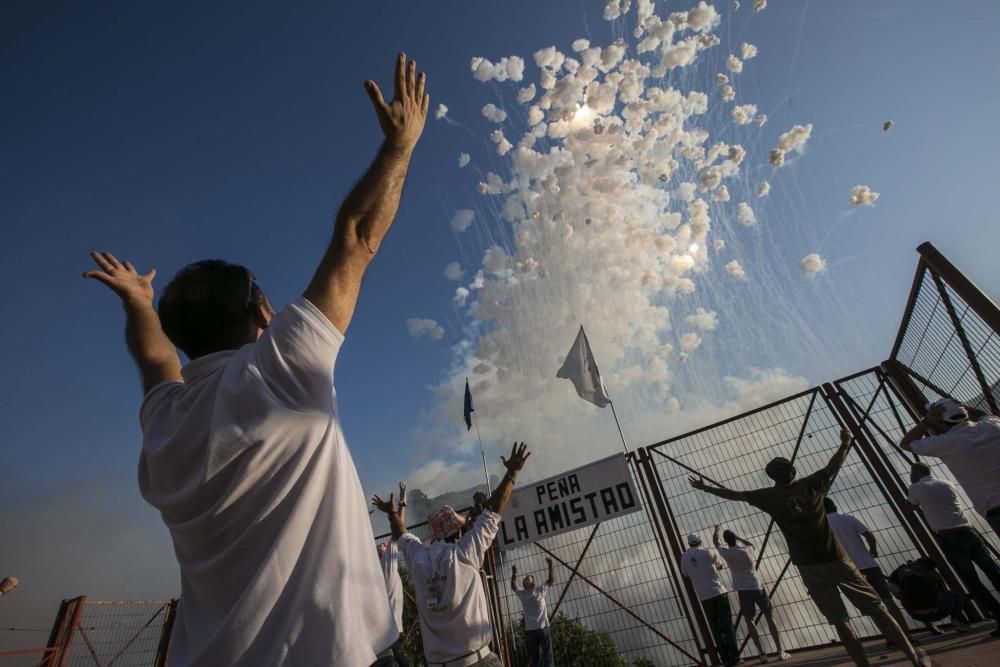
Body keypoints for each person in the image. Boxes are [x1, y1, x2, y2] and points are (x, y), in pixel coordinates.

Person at [84, 53, 430, 667]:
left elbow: (155, 357)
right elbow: (356, 237)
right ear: (264, 314)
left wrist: (139, 303)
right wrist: (401, 145)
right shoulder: (279, 370)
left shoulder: (167, 424)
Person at [689, 429, 931, 667]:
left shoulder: (768, 497)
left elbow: (735, 495)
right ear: (793, 471)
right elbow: (834, 465)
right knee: (877, 610)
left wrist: (705, 488)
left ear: (771, 477)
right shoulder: (813, 485)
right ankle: (913, 657)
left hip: (808, 566)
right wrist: (845, 443)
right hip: (836, 558)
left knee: (840, 622)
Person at [373, 442, 531, 667]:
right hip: (478, 660)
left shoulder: (418, 559)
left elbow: (400, 532)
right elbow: (493, 513)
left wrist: (391, 513)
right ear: (458, 534)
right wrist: (512, 473)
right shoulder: (465, 554)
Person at [905, 462, 1000, 635]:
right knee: (993, 571)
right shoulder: (947, 483)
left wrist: (913, 486)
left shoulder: (916, 487)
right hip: (969, 531)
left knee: (973, 582)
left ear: (915, 474)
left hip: (950, 538)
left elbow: (909, 507)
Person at [900, 398, 1000, 534]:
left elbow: (906, 443)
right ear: (965, 413)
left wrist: (927, 421)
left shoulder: (946, 443)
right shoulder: (993, 427)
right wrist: (962, 406)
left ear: (939, 421)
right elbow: (983, 414)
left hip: (995, 507)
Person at [824, 498, 911, 641]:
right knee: (888, 600)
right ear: (834, 506)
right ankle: (906, 635)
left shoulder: (824, 527)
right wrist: (873, 550)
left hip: (850, 571)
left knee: (872, 607)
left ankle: (890, 638)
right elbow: (868, 535)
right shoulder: (848, 518)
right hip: (869, 565)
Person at [712, 525, 791, 663]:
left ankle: (762, 654)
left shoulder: (727, 553)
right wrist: (738, 537)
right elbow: (751, 544)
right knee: (769, 616)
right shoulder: (747, 550)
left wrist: (716, 531)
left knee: (749, 620)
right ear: (735, 539)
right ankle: (780, 651)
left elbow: (716, 542)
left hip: (743, 590)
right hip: (757, 586)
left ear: (726, 541)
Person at [681, 533, 740, 667]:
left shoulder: (684, 557)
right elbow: (720, 566)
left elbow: (685, 574)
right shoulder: (708, 552)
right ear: (700, 541)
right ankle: (735, 658)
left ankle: (725, 659)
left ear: (689, 544)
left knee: (715, 628)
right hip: (719, 592)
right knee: (727, 626)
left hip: (704, 596)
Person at [888, 558, 971, 632]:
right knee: (954, 595)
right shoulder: (932, 574)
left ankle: (930, 626)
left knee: (913, 598)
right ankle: (956, 621)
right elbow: (944, 591)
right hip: (938, 612)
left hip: (915, 614)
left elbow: (896, 594)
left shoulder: (900, 572)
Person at [379, 482, 411, 666]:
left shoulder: (380, 568)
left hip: (389, 631)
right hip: (391, 631)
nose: (384, 544)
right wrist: (402, 501)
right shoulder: (386, 565)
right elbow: (399, 526)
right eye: (381, 546)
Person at [511, 557, 556, 667]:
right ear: (533, 584)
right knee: (548, 656)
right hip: (542, 628)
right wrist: (550, 565)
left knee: (535, 657)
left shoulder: (523, 595)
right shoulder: (539, 591)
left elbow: (513, 586)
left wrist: (514, 573)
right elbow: (551, 580)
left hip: (531, 630)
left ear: (525, 586)